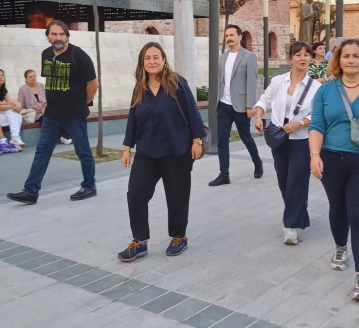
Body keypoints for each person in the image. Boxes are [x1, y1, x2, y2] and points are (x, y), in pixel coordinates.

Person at [309, 39, 359, 302]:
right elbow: (317, 125)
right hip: (331, 160)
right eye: (346, 56)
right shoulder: (326, 90)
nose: (351, 60)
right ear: (339, 60)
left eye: (357, 56)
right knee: (337, 208)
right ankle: (341, 247)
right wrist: (314, 156)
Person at [117, 42, 206, 262]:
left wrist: (198, 141)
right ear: (142, 62)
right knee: (136, 194)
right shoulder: (140, 88)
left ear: (164, 60)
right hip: (147, 152)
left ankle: (179, 237)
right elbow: (133, 120)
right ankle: (139, 241)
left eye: (156, 57)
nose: (152, 61)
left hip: (177, 151)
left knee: (177, 195)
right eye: (147, 58)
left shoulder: (176, 83)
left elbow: (192, 113)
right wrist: (127, 148)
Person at [6, 21, 99, 204]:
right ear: (48, 36)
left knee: (83, 151)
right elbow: (50, 82)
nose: (58, 38)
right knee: (42, 151)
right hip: (51, 116)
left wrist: (83, 103)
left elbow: (93, 84)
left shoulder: (78, 55)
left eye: (62, 34)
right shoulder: (46, 54)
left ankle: (89, 186)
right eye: (54, 34)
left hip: (74, 115)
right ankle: (31, 191)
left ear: (67, 36)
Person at [254, 42, 321, 245]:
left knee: (296, 181)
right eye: (298, 54)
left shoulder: (316, 87)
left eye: (306, 55)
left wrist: (300, 123)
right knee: (284, 180)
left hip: (302, 139)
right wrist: (258, 117)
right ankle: (297, 210)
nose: (303, 58)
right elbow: (263, 100)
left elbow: (318, 115)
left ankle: (290, 225)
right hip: (279, 136)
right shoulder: (278, 81)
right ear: (290, 58)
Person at [209, 24, 264, 186]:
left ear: (240, 37)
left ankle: (258, 162)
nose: (229, 38)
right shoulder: (223, 57)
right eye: (226, 36)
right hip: (224, 105)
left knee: (246, 137)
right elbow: (221, 81)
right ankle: (224, 174)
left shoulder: (248, 56)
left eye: (232, 35)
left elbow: (251, 82)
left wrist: (250, 106)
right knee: (222, 141)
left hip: (240, 106)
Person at [18, 69, 72, 145]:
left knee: (60, 114)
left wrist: (45, 108)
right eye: (30, 77)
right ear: (26, 79)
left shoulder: (42, 86)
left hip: (47, 109)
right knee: (47, 118)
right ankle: (62, 137)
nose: (33, 78)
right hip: (35, 114)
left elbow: (51, 99)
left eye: (34, 76)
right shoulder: (22, 89)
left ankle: (66, 136)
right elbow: (21, 106)